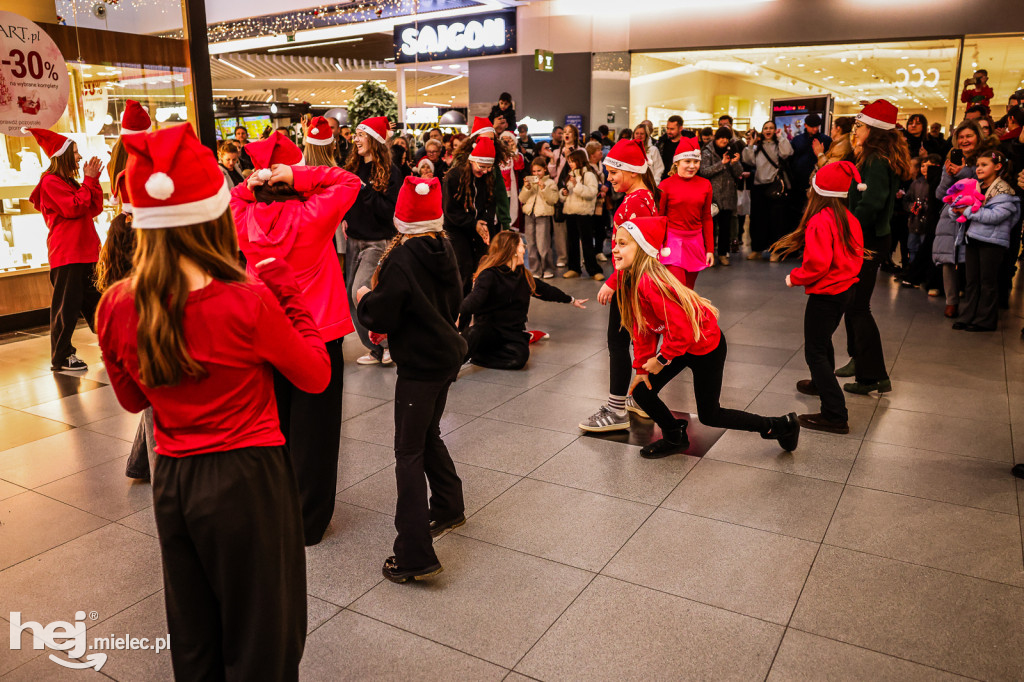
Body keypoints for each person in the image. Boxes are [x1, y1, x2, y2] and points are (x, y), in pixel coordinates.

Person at [97, 123, 327, 680]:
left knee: (194, 631)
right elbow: (315, 375)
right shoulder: (247, 301)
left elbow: (131, 402)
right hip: (248, 478)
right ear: (215, 216)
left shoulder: (116, 305)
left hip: (173, 478)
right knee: (264, 637)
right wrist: (291, 296)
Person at [231, 131, 361, 546]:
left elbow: (232, 200)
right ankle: (309, 521)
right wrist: (302, 174)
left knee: (274, 424)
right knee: (317, 430)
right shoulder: (315, 215)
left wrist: (249, 184)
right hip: (318, 333)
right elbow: (348, 181)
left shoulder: (245, 221)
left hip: (265, 333)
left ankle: (274, 506)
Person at [355, 176, 467, 583]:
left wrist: (364, 297)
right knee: (428, 434)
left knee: (407, 452)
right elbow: (454, 299)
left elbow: (381, 315)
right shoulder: (445, 248)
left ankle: (414, 553)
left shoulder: (402, 259)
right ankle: (450, 506)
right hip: (446, 357)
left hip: (420, 367)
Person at [612, 216, 799, 457]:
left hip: (705, 347)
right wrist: (641, 368)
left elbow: (684, 331)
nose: (614, 249)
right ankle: (674, 436)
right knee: (642, 390)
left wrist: (660, 360)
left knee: (710, 415)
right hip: (680, 345)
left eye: (623, 243)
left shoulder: (651, 283)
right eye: (615, 242)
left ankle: (779, 425)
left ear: (642, 248)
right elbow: (641, 329)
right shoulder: (630, 279)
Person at [774, 161, 865, 434]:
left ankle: (835, 414)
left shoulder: (819, 221)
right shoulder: (849, 218)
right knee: (822, 341)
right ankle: (818, 382)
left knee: (814, 350)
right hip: (846, 289)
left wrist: (796, 277)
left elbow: (817, 265)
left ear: (818, 191)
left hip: (827, 294)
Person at [581, 139, 660, 433]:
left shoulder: (636, 201)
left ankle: (616, 410)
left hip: (628, 282)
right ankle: (641, 399)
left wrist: (613, 281)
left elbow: (635, 248)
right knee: (633, 341)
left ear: (630, 170)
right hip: (634, 280)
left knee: (617, 343)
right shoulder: (643, 196)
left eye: (614, 172)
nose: (610, 178)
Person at [840, 99, 912, 395]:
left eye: (859, 126)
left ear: (875, 130)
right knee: (852, 303)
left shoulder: (877, 160)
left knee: (858, 306)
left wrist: (846, 230)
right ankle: (858, 360)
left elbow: (871, 204)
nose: (855, 130)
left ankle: (874, 376)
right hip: (865, 237)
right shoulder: (873, 155)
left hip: (866, 239)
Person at [26, 127, 104, 372]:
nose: (80, 158)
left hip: (86, 252)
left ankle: (113, 343)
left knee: (98, 303)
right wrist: (88, 181)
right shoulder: (49, 182)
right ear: (64, 156)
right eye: (76, 153)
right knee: (66, 309)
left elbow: (94, 208)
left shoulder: (70, 182)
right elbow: (74, 208)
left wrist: (93, 181)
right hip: (68, 255)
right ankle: (61, 357)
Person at [461, 232, 587, 369]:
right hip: (488, 330)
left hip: (511, 333)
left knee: (519, 359)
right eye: (522, 246)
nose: (524, 249)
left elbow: (546, 291)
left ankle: (477, 357)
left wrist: (571, 300)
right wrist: (455, 313)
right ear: (512, 250)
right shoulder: (490, 274)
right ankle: (452, 363)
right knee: (474, 334)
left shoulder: (523, 276)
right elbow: (474, 301)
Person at [341, 116, 402, 366]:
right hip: (354, 240)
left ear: (374, 139)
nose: (355, 139)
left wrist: (366, 190)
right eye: (355, 134)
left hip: (377, 242)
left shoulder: (391, 172)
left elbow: (390, 210)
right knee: (350, 296)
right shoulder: (354, 168)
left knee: (361, 292)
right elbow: (345, 198)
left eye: (360, 134)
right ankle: (375, 348)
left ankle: (387, 344)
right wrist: (345, 216)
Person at [951, 150, 1020, 332]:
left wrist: (966, 211)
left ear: (997, 167)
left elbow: (995, 216)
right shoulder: (975, 187)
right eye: (978, 165)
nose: (979, 168)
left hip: (993, 242)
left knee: (987, 282)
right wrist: (956, 209)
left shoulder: (1005, 192)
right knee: (971, 281)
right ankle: (967, 316)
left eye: (984, 165)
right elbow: (956, 205)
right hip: (973, 238)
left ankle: (985, 320)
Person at [933, 119, 994, 318]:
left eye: (969, 136)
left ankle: (970, 302)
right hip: (951, 215)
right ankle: (951, 301)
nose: (964, 140)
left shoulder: (985, 158)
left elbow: (984, 185)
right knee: (948, 259)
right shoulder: (951, 160)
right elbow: (940, 194)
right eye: (960, 137)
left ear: (978, 137)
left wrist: (963, 172)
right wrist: (950, 175)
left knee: (970, 261)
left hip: (976, 215)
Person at [444, 136, 499, 295]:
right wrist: (473, 223)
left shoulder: (487, 176)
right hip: (456, 228)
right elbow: (450, 211)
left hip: (480, 226)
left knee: (484, 265)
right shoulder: (454, 177)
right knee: (464, 268)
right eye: (482, 166)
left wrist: (485, 224)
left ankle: (481, 305)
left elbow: (490, 204)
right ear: (471, 161)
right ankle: (462, 309)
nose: (486, 171)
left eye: (489, 167)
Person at [658, 137, 715, 286]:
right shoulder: (665, 185)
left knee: (688, 290)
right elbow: (659, 217)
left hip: (695, 242)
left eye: (696, 162)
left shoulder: (705, 185)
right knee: (677, 289)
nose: (692, 166)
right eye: (687, 161)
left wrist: (709, 249)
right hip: (671, 242)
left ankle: (685, 310)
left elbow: (707, 218)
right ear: (676, 163)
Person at [742, 121, 794, 260]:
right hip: (759, 187)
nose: (768, 130)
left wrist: (781, 137)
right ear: (762, 130)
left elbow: (787, 153)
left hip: (776, 186)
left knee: (777, 221)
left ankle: (776, 251)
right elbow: (748, 160)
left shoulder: (779, 144)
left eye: (771, 128)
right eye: (765, 128)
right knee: (758, 220)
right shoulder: (758, 147)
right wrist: (751, 144)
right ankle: (757, 249)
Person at [700, 128, 743, 266]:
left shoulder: (731, 150)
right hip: (711, 196)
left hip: (728, 195)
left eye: (726, 138)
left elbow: (738, 173)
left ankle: (723, 254)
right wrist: (722, 164)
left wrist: (735, 163)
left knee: (725, 227)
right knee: (710, 228)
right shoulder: (707, 151)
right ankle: (709, 254)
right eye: (721, 138)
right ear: (716, 138)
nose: (724, 140)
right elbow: (703, 171)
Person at [561, 149, 603, 280]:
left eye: (573, 161)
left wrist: (577, 185)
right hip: (570, 211)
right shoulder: (570, 174)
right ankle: (574, 268)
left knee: (587, 242)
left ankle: (594, 269)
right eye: (569, 161)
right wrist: (563, 193)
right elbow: (566, 193)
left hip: (584, 213)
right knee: (572, 242)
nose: (571, 164)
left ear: (580, 160)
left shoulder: (588, 174)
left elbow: (591, 193)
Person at [520, 156, 559, 278]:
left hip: (543, 215)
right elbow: (522, 199)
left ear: (545, 170)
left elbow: (553, 199)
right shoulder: (530, 183)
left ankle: (547, 268)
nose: (537, 174)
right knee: (531, 243)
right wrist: (526, 188)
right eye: (534, 171)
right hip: (529, 214)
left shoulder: (550, 183)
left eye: (539, 171)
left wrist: (543, 188)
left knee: (543, 244)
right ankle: (535, 269)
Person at [789, 113, 832, 225]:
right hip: (798, 182)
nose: (815, 129)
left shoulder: (826, 140)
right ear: (805, 125)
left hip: (817, 182)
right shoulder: (797, 140)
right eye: (812, 126)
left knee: (814, 212)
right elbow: (792, 160)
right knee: (797, 212)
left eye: (817, 126)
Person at [656, 115, 683, 180]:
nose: (668, 131)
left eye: (672, 129)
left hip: (680, 180)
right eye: (667, 128)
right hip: (663, 180)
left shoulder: (687, 144)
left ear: (680, 129)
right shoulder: (662, 143)